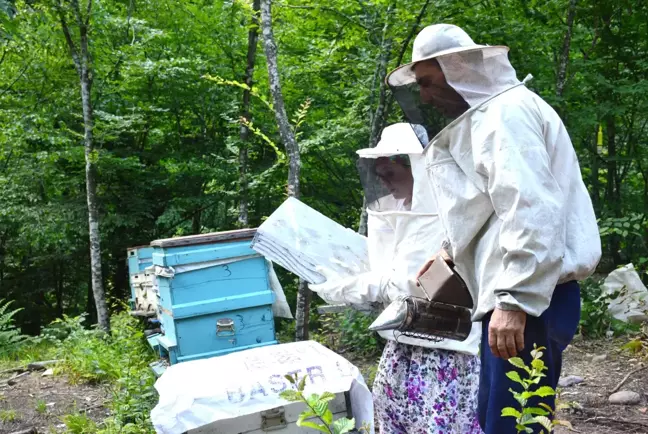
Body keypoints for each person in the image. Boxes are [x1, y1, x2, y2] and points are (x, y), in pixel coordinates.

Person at [386, 24, 602, 433]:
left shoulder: (506, 115)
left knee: (516, 426)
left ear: (461, 69)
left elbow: (532, 210)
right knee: (498, 421)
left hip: (534, 299)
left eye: (430, 83)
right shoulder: (491, 117)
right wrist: (450, 251)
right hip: (525, 297)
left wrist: (514, 301)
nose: (426, 96)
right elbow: (491, 205)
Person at [309, 123, 483, 434]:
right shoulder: (402, 210)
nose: (384, 183)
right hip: (402, 341)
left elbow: (414, 283)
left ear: (415, 166)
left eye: (391, 174)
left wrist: (348, 287)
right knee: (391, 419)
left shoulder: (444, 213)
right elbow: (387, 266)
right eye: (380, 175)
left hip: (443, 348)